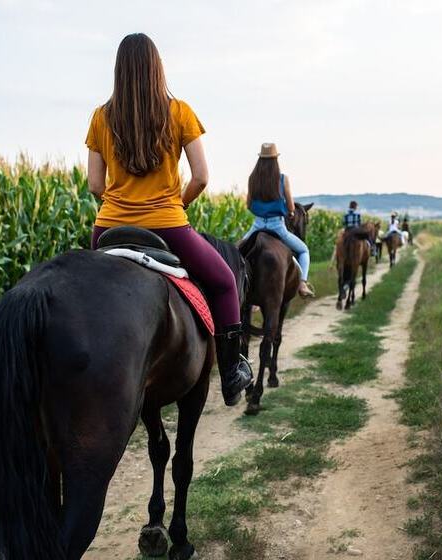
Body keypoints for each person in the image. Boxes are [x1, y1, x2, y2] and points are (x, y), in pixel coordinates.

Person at [84, 33, 252, 406]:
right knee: (225, 282)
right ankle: (230, 372)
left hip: (108, 228)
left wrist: (119, 204)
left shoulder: (100, 117)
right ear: (157, 68)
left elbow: (95, 184)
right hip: (167, 225)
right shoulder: (179, 112)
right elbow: (202, 177)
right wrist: (177, 204)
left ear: (119, 71)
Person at [242, 143, 314, 298]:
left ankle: (240, 287)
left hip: (258, 225)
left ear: (260, 159)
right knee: (303, 251)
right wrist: (291, 213)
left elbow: (249, 205)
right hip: (277, 226)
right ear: (275, 160)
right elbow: (290, 206)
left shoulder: (252, 179)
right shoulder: (283, 179)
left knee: (237, 251)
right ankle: (302, 283)